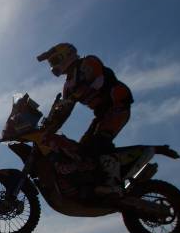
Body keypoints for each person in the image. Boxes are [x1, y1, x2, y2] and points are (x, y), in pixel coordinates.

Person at [35, 43, 134, 197]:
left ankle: (114, 183)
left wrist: (76, 95)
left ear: (65, 56)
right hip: (101, 114)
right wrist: (48, 127)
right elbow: (64, 112)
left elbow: (99, 80)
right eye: (51, 63)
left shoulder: (88, 63)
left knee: (99, 143)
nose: (53, 66)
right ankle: (97, 181)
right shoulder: (68, 86)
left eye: (54, 61)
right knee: (82, 149)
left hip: (117, 107)